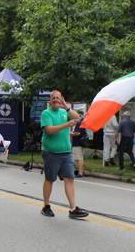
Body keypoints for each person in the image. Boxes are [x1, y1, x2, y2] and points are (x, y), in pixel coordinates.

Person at [40, 90, 89, 218]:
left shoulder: (64, 112)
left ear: (62, 98)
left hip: (66, 152)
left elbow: (76, 117)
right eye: (53, 98)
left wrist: (66, 107)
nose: (56, 100)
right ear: (50, 100)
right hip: (51, 152)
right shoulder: (46, 113)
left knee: (69, 179)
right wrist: (67, 124)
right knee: (50, 179)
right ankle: (46, 206)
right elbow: (50, 130)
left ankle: (73, 209)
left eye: (58, 98)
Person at [70, 112, 86, 178]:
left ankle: (80, 173)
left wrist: (72, 134)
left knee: (78, 158)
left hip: (77, 143)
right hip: (82, 142)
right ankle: (81, 171)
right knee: (81, 157)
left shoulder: (79, 123)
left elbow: (78, 133)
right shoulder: (83, 122)